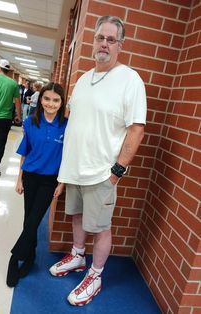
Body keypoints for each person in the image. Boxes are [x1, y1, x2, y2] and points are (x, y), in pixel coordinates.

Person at [49, 16, 147, 306]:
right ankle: (78, 256)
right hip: (76, 169)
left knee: (102, 227)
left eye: (111, 39)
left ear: (120, 45)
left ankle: (96, 275)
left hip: (102, 172)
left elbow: (137, 129)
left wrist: (116, 172)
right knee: (77, 217)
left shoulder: (129, 80)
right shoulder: (82, 79)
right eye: (100, 38)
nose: (104, 44)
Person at [6, 82, 67, 288]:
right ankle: (30, 256)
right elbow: (25, 151)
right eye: (47, 99)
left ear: (61, 102)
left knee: (33, 220)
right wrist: (19, 178)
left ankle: (14, 258)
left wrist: (62, 183)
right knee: (28, 219)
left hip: (49, 180)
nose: (51, 104)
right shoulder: (31, 121)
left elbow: (68, 157)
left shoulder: (67, 125)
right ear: (40, 100)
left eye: (56, 100)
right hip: (31, 176)